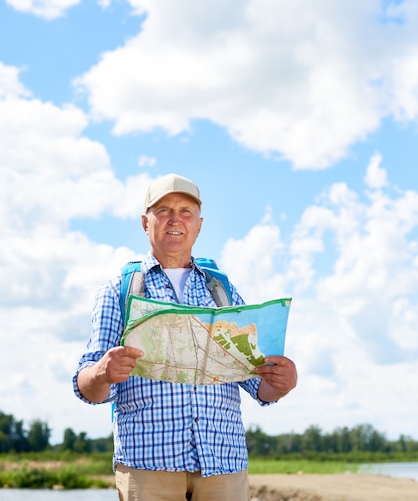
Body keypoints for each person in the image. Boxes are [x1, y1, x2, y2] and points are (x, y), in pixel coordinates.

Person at [73, 173, 297, 501]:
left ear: (199, 224)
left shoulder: (222, 290)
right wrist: (102, 373)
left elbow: (257, 383)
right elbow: (86, 387)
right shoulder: (117, 291)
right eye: (163, 210)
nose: (175, 219)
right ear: (144, 223)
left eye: (186, 211)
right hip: (147, 467)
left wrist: (282, 382)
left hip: (224, 465)